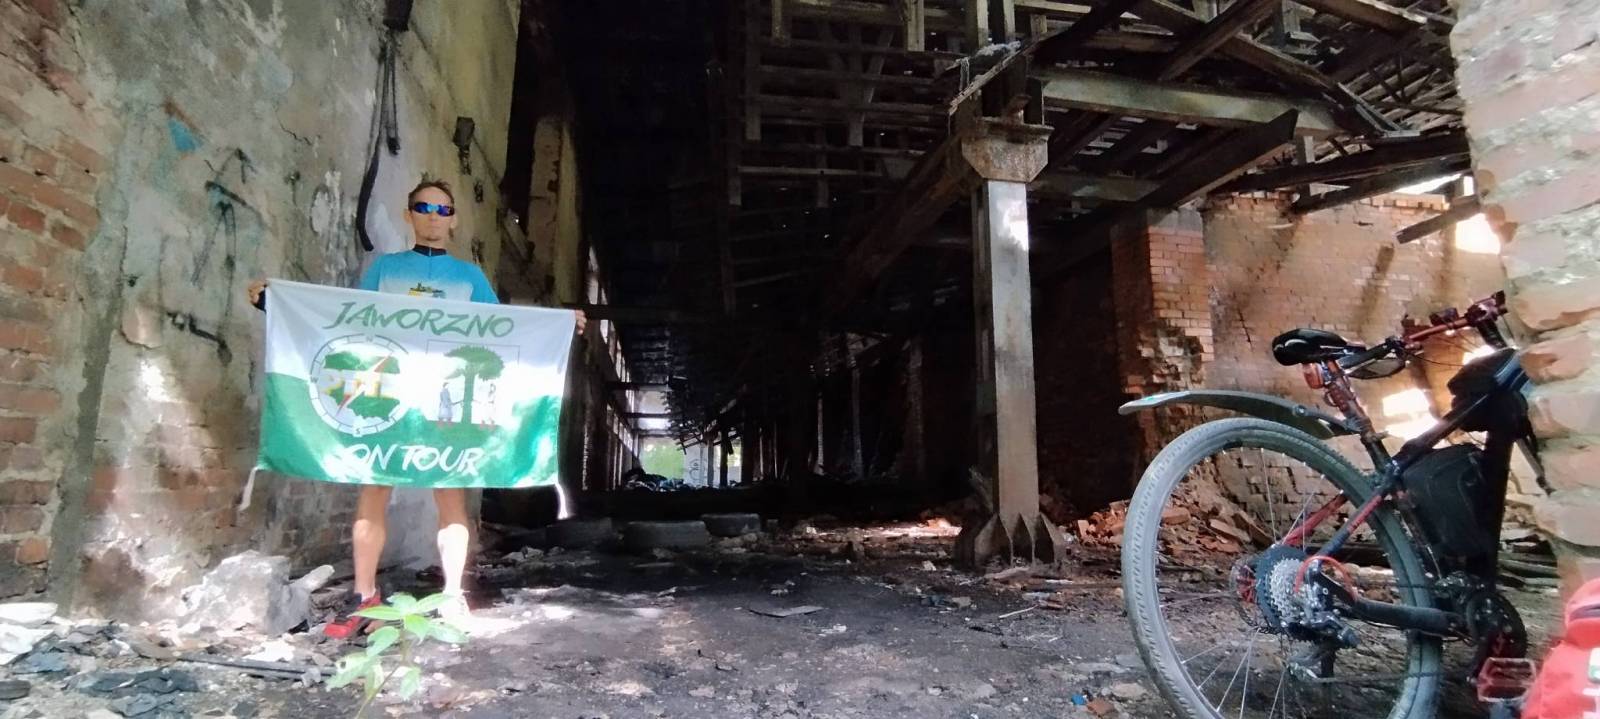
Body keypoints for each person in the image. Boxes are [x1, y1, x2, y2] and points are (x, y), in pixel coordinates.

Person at [247, 179, 584, 638]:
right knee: (372, 492)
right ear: (408, 215)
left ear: (454, 219)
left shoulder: (470, 278)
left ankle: (452, 596)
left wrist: (560, 325)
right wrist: (277, 304)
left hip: (445, 403)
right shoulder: (385, 269)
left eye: (443, 210)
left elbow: (504, 331)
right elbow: (345, 319)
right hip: (390, 398)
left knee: (451, 499)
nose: (433, 217)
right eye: (424, 208)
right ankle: (363, 597)